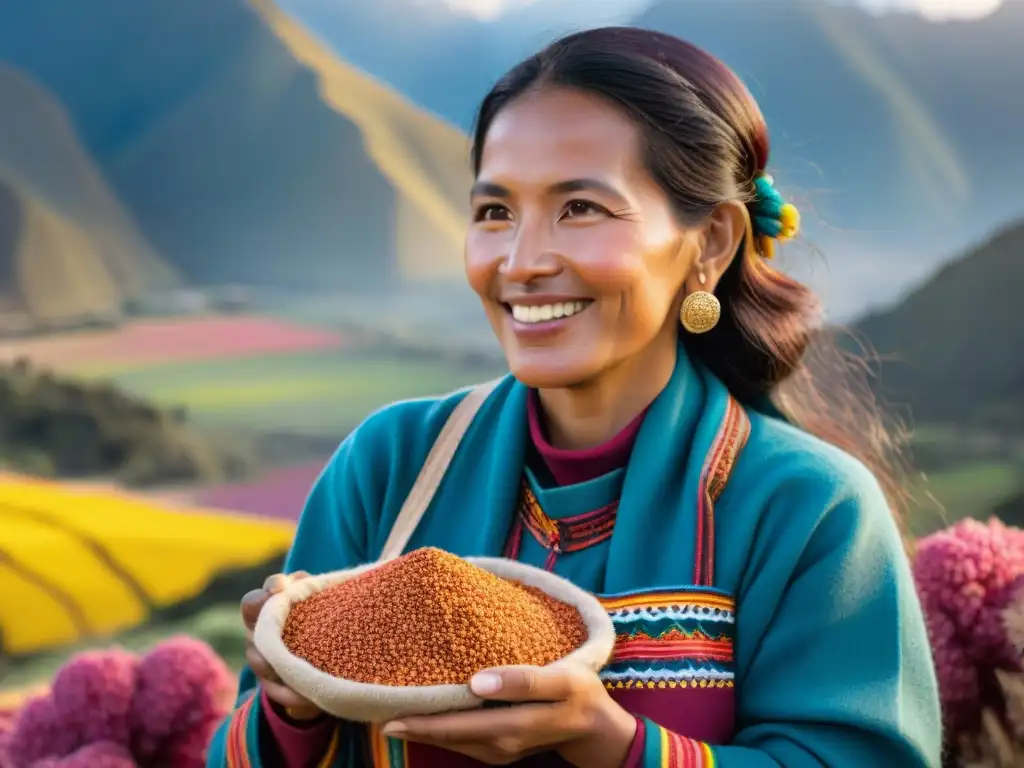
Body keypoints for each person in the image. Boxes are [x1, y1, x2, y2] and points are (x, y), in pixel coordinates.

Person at [207, 26, 942, 768]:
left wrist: (614, 745)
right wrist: (290, 704)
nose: (522, 263)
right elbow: (244, 747)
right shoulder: (388, 466)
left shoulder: (806, 508)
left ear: (711, 242)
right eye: (495, 213)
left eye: (581, 208)